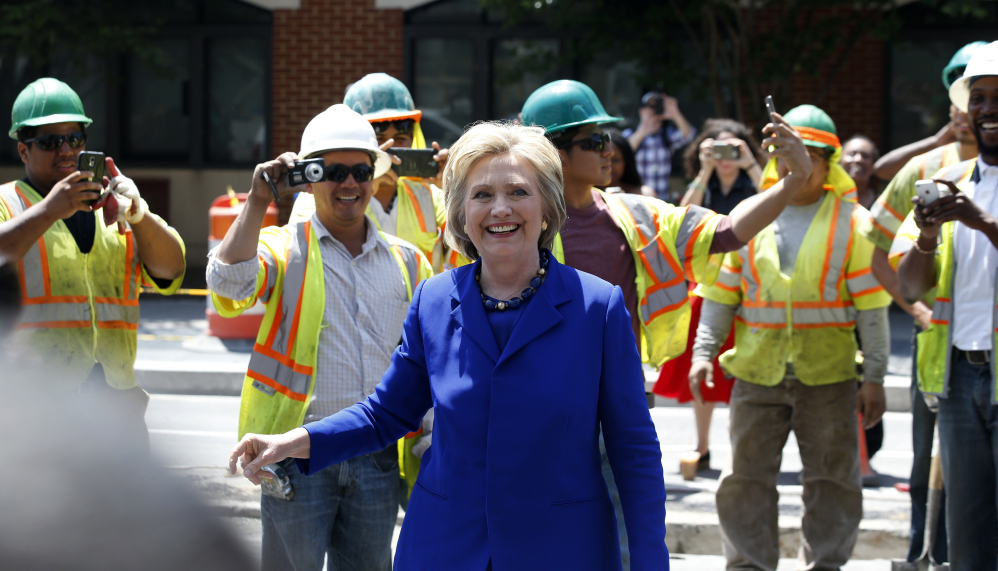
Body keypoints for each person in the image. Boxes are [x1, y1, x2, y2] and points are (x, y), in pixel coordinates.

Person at [229, 121, 671, 570]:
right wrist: (291, 441)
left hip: (561, 550)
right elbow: (385, 413)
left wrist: (652, 562)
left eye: (518, 192)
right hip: (444, 549)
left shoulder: (599, 308)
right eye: (481, 195)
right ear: (460, 212)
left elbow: (633, 448)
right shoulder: (434, 299)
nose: (500, 208)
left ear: (547, 208)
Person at [519, 79, 812, 569]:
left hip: (617, 402)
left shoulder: (634, 214)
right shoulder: (514, 219)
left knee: (632, 539)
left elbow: (726, 231)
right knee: (540, 542)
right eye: (593, 140)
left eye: (607, 137)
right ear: (553, 150)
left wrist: (791, 182)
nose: (609, 148)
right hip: (535, 408)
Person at [207, 104, 434, 570]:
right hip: (295, 454)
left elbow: (426, 361)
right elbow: (229, 284)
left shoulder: (410, 262)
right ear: (309, 178)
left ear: (374, 175)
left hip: (374, 456)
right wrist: (255, 200)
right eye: (333, 171)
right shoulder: (284, 246)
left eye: (359, 170)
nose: (349, 183)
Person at [691, 104, 892, 570]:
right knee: (745, 479)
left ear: (827, 163)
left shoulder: (854, 223)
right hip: (757, 373)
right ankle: (748, 564)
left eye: (803, 157)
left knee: (832, 481)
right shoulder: (750, 215)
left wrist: (876, 376)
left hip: (828, 376)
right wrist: (704, 352)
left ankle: (825, 564)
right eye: (781, 156)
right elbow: (722, 295)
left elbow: (872, 308)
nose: (790, 167)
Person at [0, 78, 186, 440]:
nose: (66, 150)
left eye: (75, 139)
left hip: (115, 412)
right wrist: (50, 210)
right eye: (50, 142)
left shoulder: (115, 208)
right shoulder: (9, 204)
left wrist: (139, 216)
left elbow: (171, 268)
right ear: (24, 151)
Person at [859, 40, 987, 565]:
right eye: (974, 96)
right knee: (928, 470)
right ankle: (922, 550)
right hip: (943, 356)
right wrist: (913, 305)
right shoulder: (934, 169)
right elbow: (882, 254)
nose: (981, 110)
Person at [895, 41, 998, 570]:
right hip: (959, 379)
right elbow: (910, 287)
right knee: (968, 534)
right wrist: (928, 235)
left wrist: (983, 223)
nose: (988, 109)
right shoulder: (950, 182)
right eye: (978, 98)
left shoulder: (974, 202)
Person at [656, 118, 764, 473]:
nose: (726, 157)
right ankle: (701, 446)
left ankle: (742, 449)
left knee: (743, 371)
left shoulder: (757, 181)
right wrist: (703, 173)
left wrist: (752, 163)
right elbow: (680, 221)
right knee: (701, 369)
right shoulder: (704, 183)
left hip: (752, 283)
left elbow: (781, 203)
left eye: (733, 149)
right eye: (717, 150)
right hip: (707, 285)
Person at [290, 73, 453, 272]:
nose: (392, 147)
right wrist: (365, 186)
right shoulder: (317, 193)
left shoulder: (430, 195)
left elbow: (473, 251)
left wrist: (456, 188)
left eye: (401, 138)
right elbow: (303, 257)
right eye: (380, 138)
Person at [622, 91, 696, 201]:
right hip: (636, 201)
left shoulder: (667, 135)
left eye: (657, 106)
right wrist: (645, 128)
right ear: (641, 111)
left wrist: (675, 114)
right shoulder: (630, 133)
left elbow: (689, 135)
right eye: (650, 107)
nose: (654, 111)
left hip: (662, 201)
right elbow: (624, 150)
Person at [600, 129, 655, 196]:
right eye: (604, 158)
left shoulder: (644, 195)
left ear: (627, 161)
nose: (609, 164)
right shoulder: (585, 198)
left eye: (615, 160)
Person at [842, 134, 883, 209]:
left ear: (873, 165)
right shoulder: (824, 199)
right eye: (852, 154)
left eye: (865, 156)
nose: (858, 159)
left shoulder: (882, 206)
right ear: (839, 161)